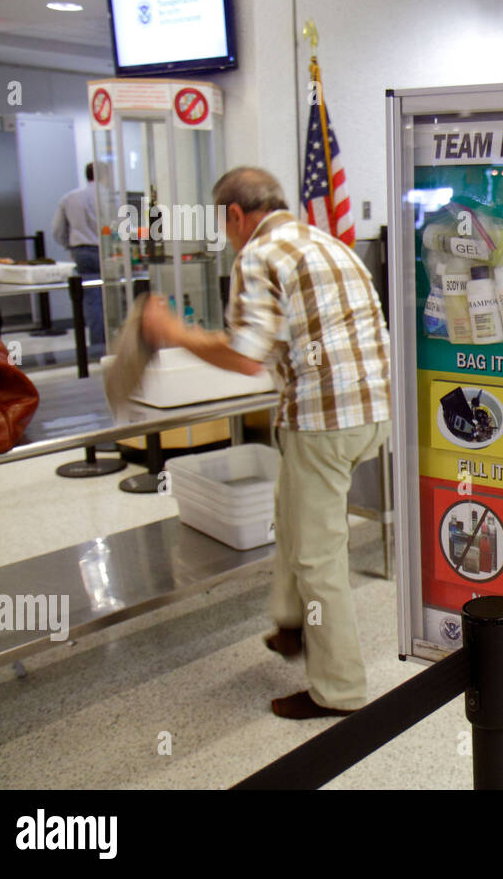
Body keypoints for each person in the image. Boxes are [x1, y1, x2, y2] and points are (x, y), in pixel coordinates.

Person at [142, 166, 392, 718]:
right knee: (290, 511)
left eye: (222, 223)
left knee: (317, 556)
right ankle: (291, 623)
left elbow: (245, 354)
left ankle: (339, 690)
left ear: (235, 215)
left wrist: (174, 334)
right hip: (375, 413)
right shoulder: (328, 243)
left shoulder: (257, 255)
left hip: (324, 421)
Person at [51, 162, 105, 352]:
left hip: (82, 251)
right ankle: (110, 346)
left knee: (93, 299)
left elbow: (57, 230)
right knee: (112, 296)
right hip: (106, 252)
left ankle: (98, 346)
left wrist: (70, 246)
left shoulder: (69, 198)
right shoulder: (110, 197)